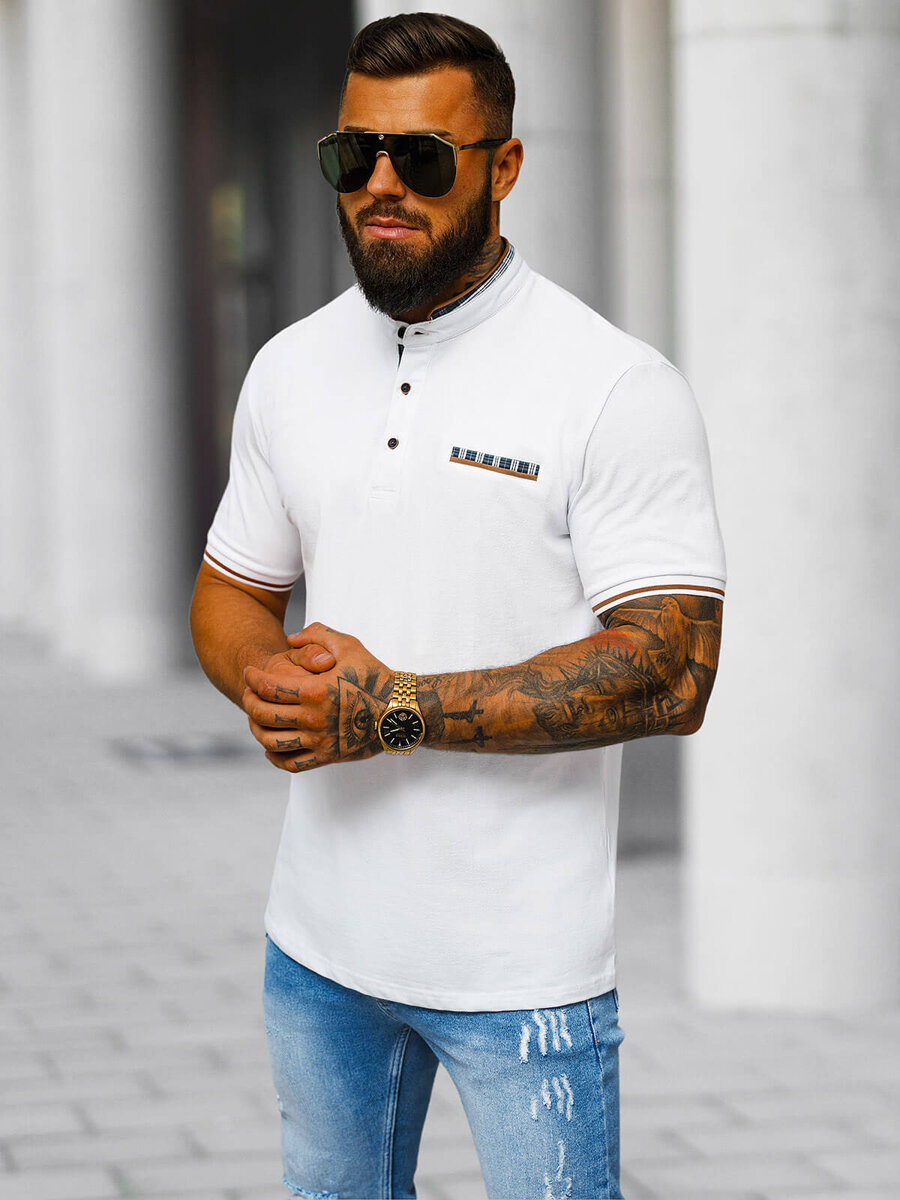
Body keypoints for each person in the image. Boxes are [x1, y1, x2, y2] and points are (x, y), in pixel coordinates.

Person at [189, 12, 726, 1200]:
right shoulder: (288, 369)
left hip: (522, 973)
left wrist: (391, 709)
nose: (382, 184)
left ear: (504, 166)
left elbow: (673, 670)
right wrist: (268, 679)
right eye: (355, 154)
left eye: (423, 158)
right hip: (317, 952)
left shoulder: (612, 386)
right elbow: (232, 589)